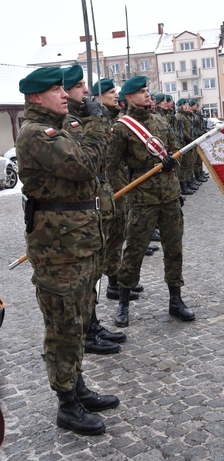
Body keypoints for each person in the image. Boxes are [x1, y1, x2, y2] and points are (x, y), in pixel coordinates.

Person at [16, 67, 119, 436]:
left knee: (77, 321)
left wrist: (90, 126)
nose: (64, 94)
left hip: (80, 242)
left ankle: (77, 387)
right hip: (57, 251)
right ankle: (66, 404)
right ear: (35, 98)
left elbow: (100, 160)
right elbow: (85, 165)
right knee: (62, 326)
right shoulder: (36, 135)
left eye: (64, 87)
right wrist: (96, 124)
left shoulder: (66, 127)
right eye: (55, 89)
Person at [108, 75, 195, 327]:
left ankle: (175, 300)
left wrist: (171, 161)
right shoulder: (122, 128)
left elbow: (177, 151)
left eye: (147, 91)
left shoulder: (160, 121)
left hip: (169, 195)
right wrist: (122, 193)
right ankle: (123, 303)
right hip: (141, 199)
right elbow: (112, 166)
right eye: (141, 92)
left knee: (174, 248)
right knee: (134, 250)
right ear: (129, 98)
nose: (147, 95)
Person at [61, 65, 126, 355]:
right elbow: (91, 161)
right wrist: (97, 121)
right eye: (79, 87)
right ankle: (88, 330)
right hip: (78, 211)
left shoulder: (81, 118)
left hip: (95, 201)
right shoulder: (65, 123)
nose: (86, 92)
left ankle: (93, 324)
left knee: (94, 269)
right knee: (87, 273)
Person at [91, 78, 147, 298]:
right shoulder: (97, 120)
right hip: (107, 189)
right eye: (111, 92)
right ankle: (112, 283)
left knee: (119, 233)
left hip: (119, 184)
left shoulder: (113, 119)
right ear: (98, 97)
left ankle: (116, 279)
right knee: (110, 235)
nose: (117, 95)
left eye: (116, 92)